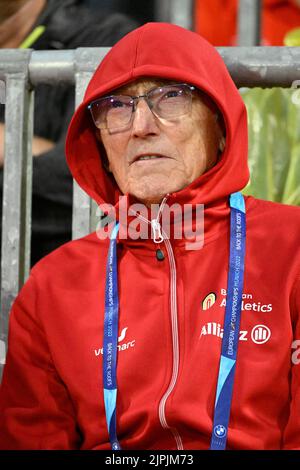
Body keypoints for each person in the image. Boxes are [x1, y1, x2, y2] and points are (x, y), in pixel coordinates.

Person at [0, 22, 300, 450]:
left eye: (171, 97)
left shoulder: (291, 246)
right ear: (100, 143)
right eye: (117, 107)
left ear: (220, 125)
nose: (141, 125)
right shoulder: (52, 286)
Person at [0, 0, 137, 265]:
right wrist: (31, 148)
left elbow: (92, 183)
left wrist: (7, 143)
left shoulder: (104, 39)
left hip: (66, 278)